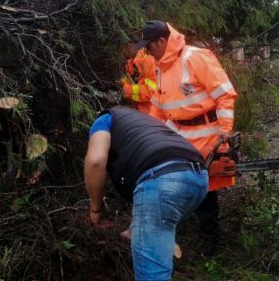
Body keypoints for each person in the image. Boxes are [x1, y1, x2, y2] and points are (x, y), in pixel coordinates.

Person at [133, 20, 237, 242]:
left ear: (161, 41)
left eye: (149, 47)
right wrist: (148, 136)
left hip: (208, 135)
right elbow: (159, 109)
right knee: (182, 185)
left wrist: (225, 130)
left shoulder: (195, 57)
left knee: (207, 190)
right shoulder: (161, 67)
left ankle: (209, 238)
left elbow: (225, 94)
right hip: (181, 139)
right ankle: (185, 229)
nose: (148, 53)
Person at [84, 106, 208, 280]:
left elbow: (96, 161)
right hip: (198, 178)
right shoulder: (147, 123)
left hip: (162, 180)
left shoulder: (105, 119)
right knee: (160, 228)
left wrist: (95, 209)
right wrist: (135, 228)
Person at [121, 48, 157, 113]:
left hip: (150, 113)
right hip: (143, 111)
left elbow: (150, 92)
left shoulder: (149, 63)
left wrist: (128, 90)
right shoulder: (142, 62)